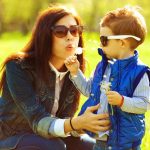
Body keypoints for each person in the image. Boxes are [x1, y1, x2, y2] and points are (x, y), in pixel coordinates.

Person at [0, 5, 111, 150]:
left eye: (74, 30)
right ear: (45, 36)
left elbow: (64, 120)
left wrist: (85, 125)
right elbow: (37, 120)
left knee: (100, 146)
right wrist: (75, 123)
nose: (70, 36)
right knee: (54, 146)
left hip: (52, 138)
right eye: (60, 31)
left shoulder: (74, 71)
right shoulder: (18, 67)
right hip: (11, 138)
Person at [65, 6, 150, 150]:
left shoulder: (139, 72)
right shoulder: (102, 66)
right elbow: (89, 90)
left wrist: (122, 101)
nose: (100, 44)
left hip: (124, 141)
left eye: (104, 40)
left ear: (122, 43)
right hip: (100, 139)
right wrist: (75, 72)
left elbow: (144, 104)